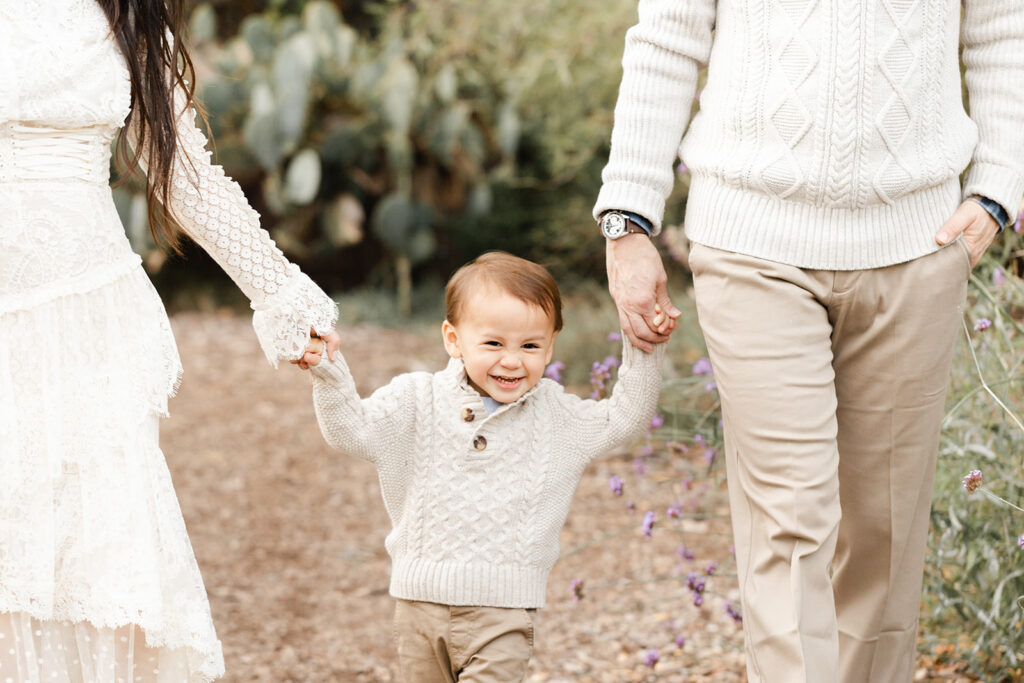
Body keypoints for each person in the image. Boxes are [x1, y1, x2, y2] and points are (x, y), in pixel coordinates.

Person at [594, 1, 1023, 682]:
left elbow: (1005, 28)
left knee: (883, 533)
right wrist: (628, 218)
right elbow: (668, 36)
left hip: (918, 245)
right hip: (751, 242)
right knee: (790, 522)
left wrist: (998, 185)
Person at [0, 1, 341, 681]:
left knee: (88, 543)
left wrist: (281, 294)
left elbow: (184, 172)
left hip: (88, 315)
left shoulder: (128, 17)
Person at [297, 251, 663, 682]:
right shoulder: (417, 399)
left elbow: (624, 419)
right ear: (453, 340)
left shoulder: (557, 416)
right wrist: (329, 372)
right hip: (419, 609)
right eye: (493, 344)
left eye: (530, 346)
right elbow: (351, 431)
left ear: (550, 346)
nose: (512, 360)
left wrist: (643, 342)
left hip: (503, 615)